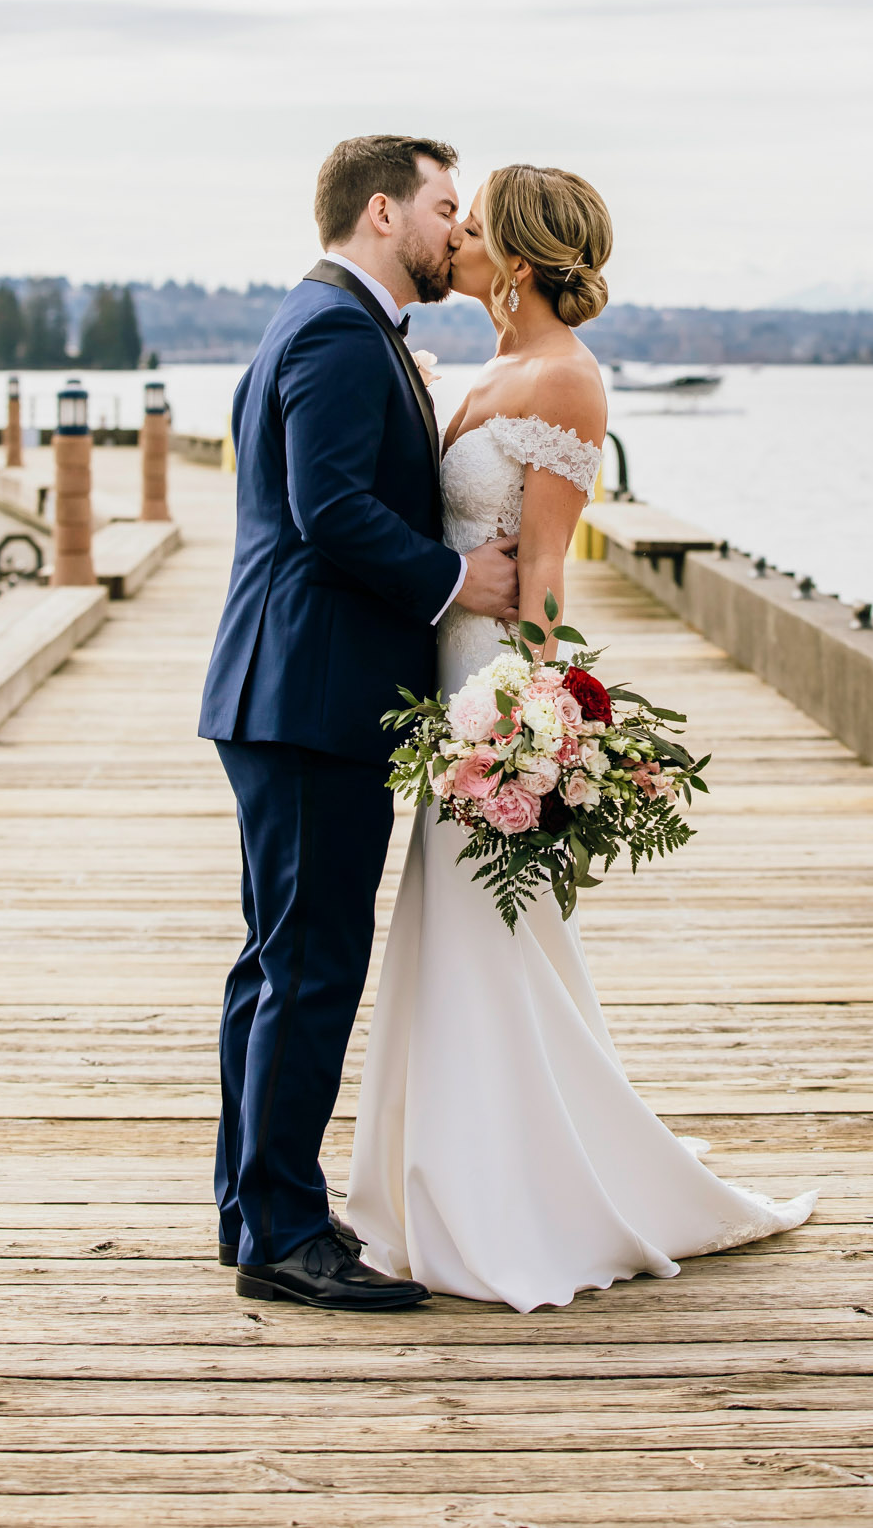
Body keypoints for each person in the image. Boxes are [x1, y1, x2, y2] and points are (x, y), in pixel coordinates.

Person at [346, 162, 816, 1310]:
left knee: (483, 936)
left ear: (508, 257)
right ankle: (445, 1182)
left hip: (487, 693)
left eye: (469, 224)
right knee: (455, 936)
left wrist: (530, 711)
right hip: (440, 676)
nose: (448, 234)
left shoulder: (564, 382)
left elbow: (548, 564)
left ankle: (508, 1200)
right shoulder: (492, 362)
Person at [197, 135, 520, 1312]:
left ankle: (255, 1205)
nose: (455, 229)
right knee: (310, 964)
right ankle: (283, 1231)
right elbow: (325, 506)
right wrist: (455, 581)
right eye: (444, 206)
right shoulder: (336, 330)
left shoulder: (323, 319)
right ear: (381, 212)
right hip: (312, 699)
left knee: (277, 962)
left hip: (291, 694)